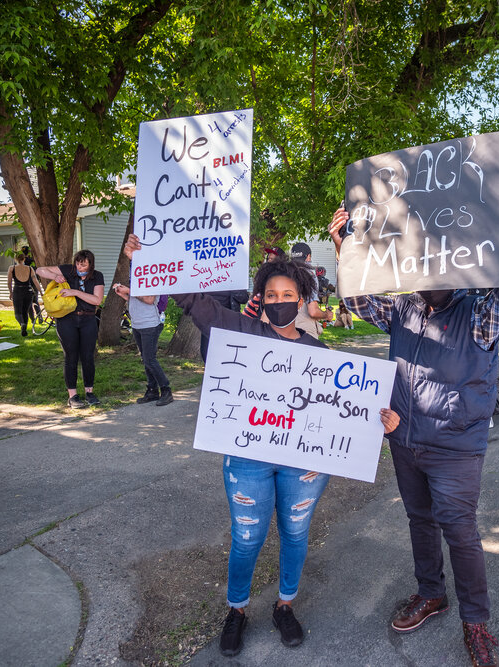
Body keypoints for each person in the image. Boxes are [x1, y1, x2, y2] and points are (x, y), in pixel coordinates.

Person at [121, 235, 399, 657]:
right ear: (260, 299)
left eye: (288, 294)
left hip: (302, 466)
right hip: (247, 459)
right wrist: (152, 258)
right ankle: (236, 610)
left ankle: (285, 605)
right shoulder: (238, 330)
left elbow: (350, 411)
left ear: (303, 299)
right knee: (247, 538)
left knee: (295, 533)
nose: (280, 300)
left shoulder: (318, 353)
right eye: (271, 294)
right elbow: (195, 300)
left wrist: (381, 421)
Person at [328, 187, 499, 667]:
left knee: (459, 532)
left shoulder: (478, 313)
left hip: (455, 448)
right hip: (404, 441)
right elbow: (360, 300)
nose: (426, 274)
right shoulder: (403, 308)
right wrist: (345, 246)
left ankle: (476, 624)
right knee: (419, 522)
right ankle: (431, 593)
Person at [37, 250, 105, 408]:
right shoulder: (68, 270)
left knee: (88, 357)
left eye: (84, 264)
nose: (80, 267)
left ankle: (89, 392)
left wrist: (75, 292)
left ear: (91, 264)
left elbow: (96, 300)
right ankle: (73, 396)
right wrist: (55, 276)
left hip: (88, 319)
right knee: (71, 357)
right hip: (67, 319)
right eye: (78, 263)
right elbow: (39, 270)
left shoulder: (97, 276)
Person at [111, 282, 172, 406]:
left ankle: (166, 390)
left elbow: (149, 299)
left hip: (150, 324)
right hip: (138, 324)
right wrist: (124, 294)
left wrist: (129, 290)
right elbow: (137, 299)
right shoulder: (137, 276)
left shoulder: (153, 276)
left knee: (150, 359)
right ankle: (152, 391)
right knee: (145, 358)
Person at [288, 242, 335, 338]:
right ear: (308, 256)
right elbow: (313, 312)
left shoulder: (283, 273)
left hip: (283, 329)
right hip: (304, 330)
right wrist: (326, 315)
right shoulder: (309, 275)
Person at [8, 253, 43, 336]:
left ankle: (22, 324)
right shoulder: (30, 268)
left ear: (15, 259)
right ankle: (24, 330)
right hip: (28, 291)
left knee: (18, 312)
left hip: (17, 290)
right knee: (25, 311)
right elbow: (35, 281)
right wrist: (41, 292)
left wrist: (10, 292)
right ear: (24, 259)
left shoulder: (12, 268)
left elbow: (9, 282)